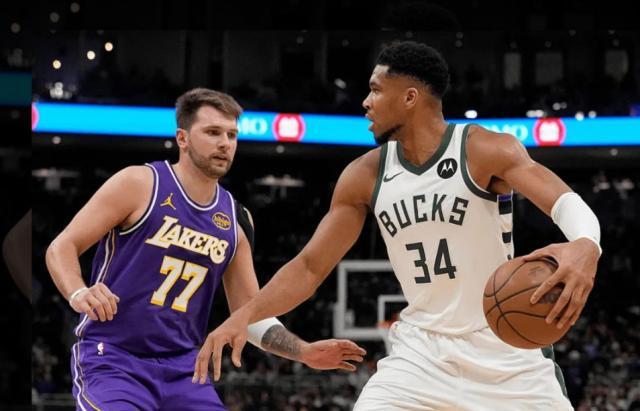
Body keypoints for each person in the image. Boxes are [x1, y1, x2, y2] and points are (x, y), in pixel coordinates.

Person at [194, 41, 602, 410]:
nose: (365, 102)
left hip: (508, 357)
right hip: (421, 356)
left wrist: (586, 244)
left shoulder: (483, 149)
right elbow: (309, 268)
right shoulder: (364, 175)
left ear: (409, 97)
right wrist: (244, 316)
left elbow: (565, 202)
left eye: (375, 90)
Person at [46, 88, 366, 411]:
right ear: (182, 138)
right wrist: (78, 291)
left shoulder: (237, 220)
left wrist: (304, 351)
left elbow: (250, 314)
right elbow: (62, 246)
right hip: (115, 359)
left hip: (186, 370)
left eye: (232, 135)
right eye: (213, 132)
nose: (225, 143)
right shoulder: (139, 183)